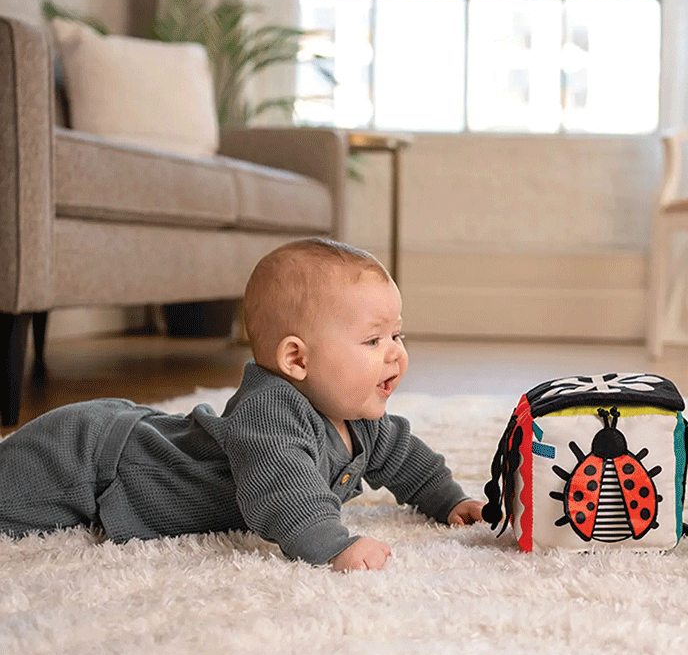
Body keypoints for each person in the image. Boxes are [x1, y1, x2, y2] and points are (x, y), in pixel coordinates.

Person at [0, 237, 484, 571]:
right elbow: (286, 494)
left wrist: (448, 499)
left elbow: (404, 457)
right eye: (373, 340)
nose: (395, 353)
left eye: (397, 335)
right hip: (92, 459)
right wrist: (334, 545)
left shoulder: (357, 417)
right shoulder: (270, 413)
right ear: (297, 359)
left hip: (126, 436)